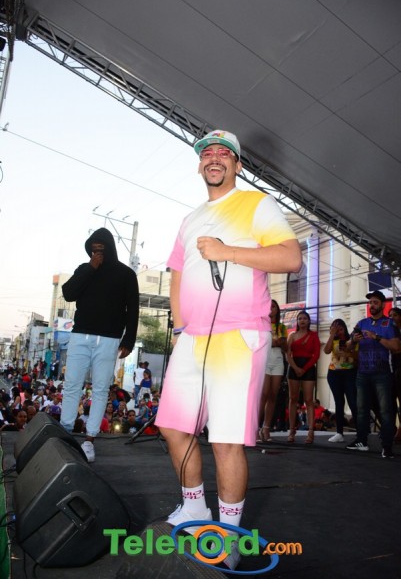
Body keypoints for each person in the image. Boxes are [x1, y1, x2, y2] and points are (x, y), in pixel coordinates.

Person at [155, 129, 301, 570]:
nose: (214, 158)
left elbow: (290, 257)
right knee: (173, 427)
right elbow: (178, 275)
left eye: (224, 153)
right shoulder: (190, 219)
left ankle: (230, 537)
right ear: (200, 165)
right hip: (192, 337)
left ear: (237, 165)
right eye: (208, 153)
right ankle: (194, 508)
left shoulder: (257, 204)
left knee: (225, 440)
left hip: (238, 336)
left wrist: (228, 252)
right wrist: (179, 327)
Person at [60, 227, 139, 463]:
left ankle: (89, 439)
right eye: (93, 250)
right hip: (80, 336)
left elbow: (133, 310)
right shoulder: (84, 269)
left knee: (101, 389)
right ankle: (65, 433)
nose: (97, 253)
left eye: (101, 249)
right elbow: (68, 293)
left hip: (109, 339)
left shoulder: (126, 274)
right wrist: (90, 268)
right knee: (72, 385)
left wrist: (129, 340)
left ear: (110, 248)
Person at [346, 291, 401, 458]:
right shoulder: (361, 323)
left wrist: (376, 337)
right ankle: (361, 441)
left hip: (383, 374)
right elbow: (347, 346)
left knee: (386, 411)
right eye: (370, 302)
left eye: (375, 302)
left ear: (383, 305)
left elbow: (396, 347)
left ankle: (387, 446)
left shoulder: (389, 324)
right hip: (363, 374)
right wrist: (353, 340)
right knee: (361, 409)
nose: (372, 305)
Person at [286, 310, 320, 444]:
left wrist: (304, 369)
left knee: (308, 400)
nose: (302, 321)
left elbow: (316, 355)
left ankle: (311, 431)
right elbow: (288, 354)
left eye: (305, 318)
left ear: (309, 321)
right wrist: (295, 368)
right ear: (297, 321)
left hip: (309, 367)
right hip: (293, 367)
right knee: (293, 399)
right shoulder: (292, 336)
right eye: (300, 318)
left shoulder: (314, 335)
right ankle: (291, 430)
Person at [323, 319, 358, 443]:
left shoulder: (353, 339)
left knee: (353, 402)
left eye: (340, 329)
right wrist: (332, 335)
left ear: (345, 328)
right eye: (335, 329)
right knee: (339, 402)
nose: (339, 332)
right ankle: (339, 432)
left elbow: (358, 357)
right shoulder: (333, 340)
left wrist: (350, 348)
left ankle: (360, 432)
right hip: (334, 374)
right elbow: (326, 351)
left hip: (350, 373)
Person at [258, 300, 288, 442]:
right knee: (263, 394)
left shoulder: (281, 327)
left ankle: (266, 428)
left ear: (277, 309)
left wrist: (280, 343)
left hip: (277, 361)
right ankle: (255, 428)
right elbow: (262, 343)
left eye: (274, 307)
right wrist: (274, 342)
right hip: (264, 359)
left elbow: (285, 347)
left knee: (273, 395)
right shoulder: (261, 325)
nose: (271, 309)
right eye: (269, 307)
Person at [389, 307, 401, 442]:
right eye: (390, 315)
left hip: (399, 369)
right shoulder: (388, 332)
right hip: (389, 370)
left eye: (395, 315)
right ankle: (391, 428)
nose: (392, 318)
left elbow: (397, 349)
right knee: (389, 401)